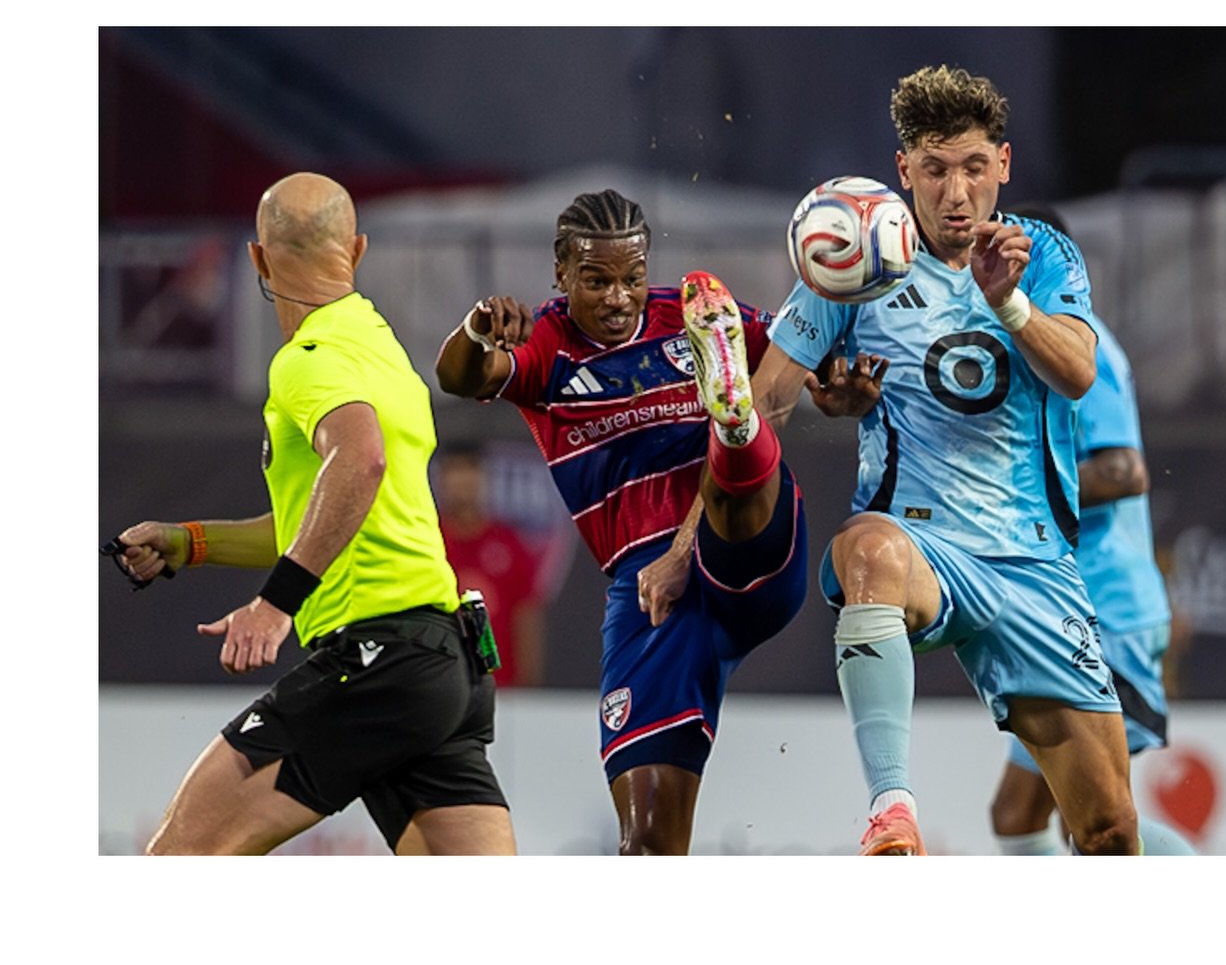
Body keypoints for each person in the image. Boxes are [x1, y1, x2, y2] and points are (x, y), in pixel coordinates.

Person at [752, 64, 1141, 855]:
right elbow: (767, 399)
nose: (955, 192)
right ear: (904, 173)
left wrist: (1008, 302)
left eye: (971, 168)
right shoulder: (853, 259)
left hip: (1034, 564)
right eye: (934, 170)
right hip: (925, 550)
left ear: (1004, 164)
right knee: (866, 546)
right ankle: (892, 811)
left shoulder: (1047, 256)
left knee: (1107, 829)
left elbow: (1076, 373)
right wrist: (756, 410)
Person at [111, 171, 517, 856]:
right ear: (356, 251)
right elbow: (330, 514)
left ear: (258, 259)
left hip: (375, 659)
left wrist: (275, 607)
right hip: (446, 666)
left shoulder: (306, 359)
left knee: (179, 857)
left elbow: (360, 463)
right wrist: (190, 542)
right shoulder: (382, 348)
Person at [435, 188, 815, 855]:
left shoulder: (692, 314)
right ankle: (737, 421)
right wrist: (474, 331)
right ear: (560, 274)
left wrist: (842, 381)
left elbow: (807, 373)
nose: (618, 297)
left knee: (739, 459)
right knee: (645, 845)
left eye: (633, 279)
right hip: (646, 592)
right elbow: (461, 378)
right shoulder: (546, 346)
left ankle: (739, 418)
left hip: (742, 544)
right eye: (597, 280)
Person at [988, 205, 1196, 855]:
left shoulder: (1086, 344)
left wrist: (1019, 488)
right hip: (1073, 610)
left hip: (1110, 610)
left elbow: (1125, 468)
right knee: (1021, 816)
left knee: (1094, 824)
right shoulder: (1029, 345)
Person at [435, 445, 547, 686]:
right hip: (441, 683)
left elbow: (525, 616)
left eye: (470, 472)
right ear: (442, 480)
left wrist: (527, 682)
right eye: (455, 473)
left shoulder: (508, 543)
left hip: (501, 685)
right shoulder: (429, 541)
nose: (463, 483)